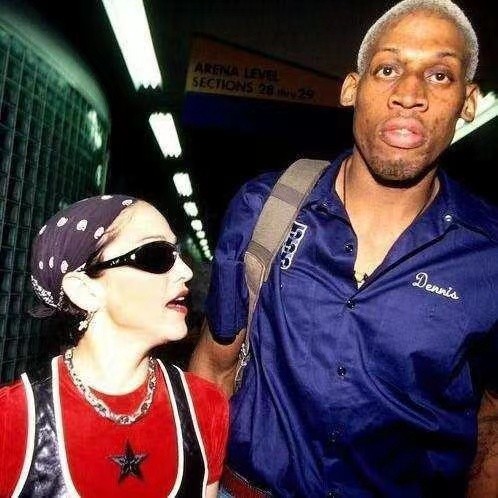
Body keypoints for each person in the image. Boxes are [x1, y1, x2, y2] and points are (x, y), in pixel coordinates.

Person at [189, 0, 498, 496]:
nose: (409, 95)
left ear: (468, 101)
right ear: (352, 88)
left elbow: (490, 419)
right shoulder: (265, 209)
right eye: (388, 69)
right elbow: (213, 367)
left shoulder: (489, 253)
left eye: (440, 75)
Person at [0, 195, 228, 497]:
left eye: (177, 253)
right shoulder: (12, 421)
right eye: (156, 254)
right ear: (85, 291)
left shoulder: (205, 406)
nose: (185, 271)